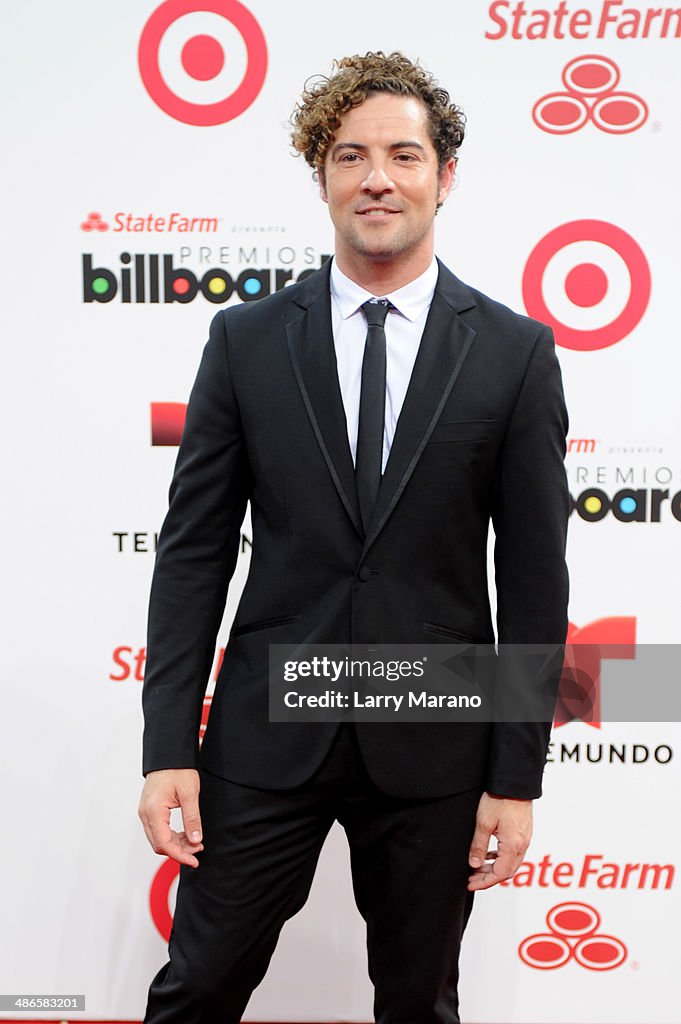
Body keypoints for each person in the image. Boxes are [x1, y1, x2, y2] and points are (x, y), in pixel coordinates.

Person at [138, 51, 569, 1024]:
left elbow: (536, 581)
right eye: (350, 154)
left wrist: (515, 773)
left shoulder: (515, 354)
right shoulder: (246, 342)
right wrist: (168, 746)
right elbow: (194, 551)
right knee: (197, 986)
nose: (378, 176)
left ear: (443, 176)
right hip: (263, 736)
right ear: (322, 175)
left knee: (418, 1003)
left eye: (404, 155)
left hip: (436, 746)